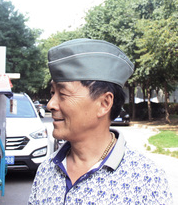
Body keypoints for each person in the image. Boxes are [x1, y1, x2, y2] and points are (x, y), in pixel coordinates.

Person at [28, 38, 173, 204]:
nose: (51, 105)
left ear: (104, 104)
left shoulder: (146, 180)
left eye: (63, 93)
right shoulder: (46, 170)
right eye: (53, 92)